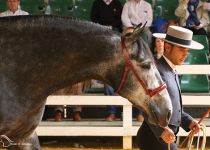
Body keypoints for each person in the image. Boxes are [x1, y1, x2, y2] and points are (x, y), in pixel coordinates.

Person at [136, 26, 203, 150]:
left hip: (164, 137)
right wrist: (161, 131)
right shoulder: (156, 71)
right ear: (167, 47)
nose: (185, 55)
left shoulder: (172, 71)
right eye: (182, 50)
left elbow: (173, 109)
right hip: (154, 137)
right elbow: (146, 106)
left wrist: (189, 122)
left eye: (187, 51)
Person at [91, 0, 123, 121]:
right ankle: (111, 113)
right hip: (99, 30)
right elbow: (93, 19)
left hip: (114, 29)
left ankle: (126, 114)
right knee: (108, 83)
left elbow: (120, 21)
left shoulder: (117, 3)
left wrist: (110, 27)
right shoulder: (97, 3)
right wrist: (103, 27)